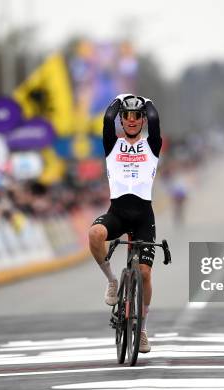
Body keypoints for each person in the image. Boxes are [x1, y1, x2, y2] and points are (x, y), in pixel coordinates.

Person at [89, 94, 162, 353]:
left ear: (142, 120)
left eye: (137, 116)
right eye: (127, 116)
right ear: (122, 119)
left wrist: (146, 101)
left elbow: (154, 118)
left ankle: (142, 329)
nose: (132, 121)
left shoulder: (151, 146)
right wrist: (119, 100)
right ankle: (111, 280)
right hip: (118, 211)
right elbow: (108, 118)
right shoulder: (113, 145)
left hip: (143, 215)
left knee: (144, 273)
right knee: (95, 234)